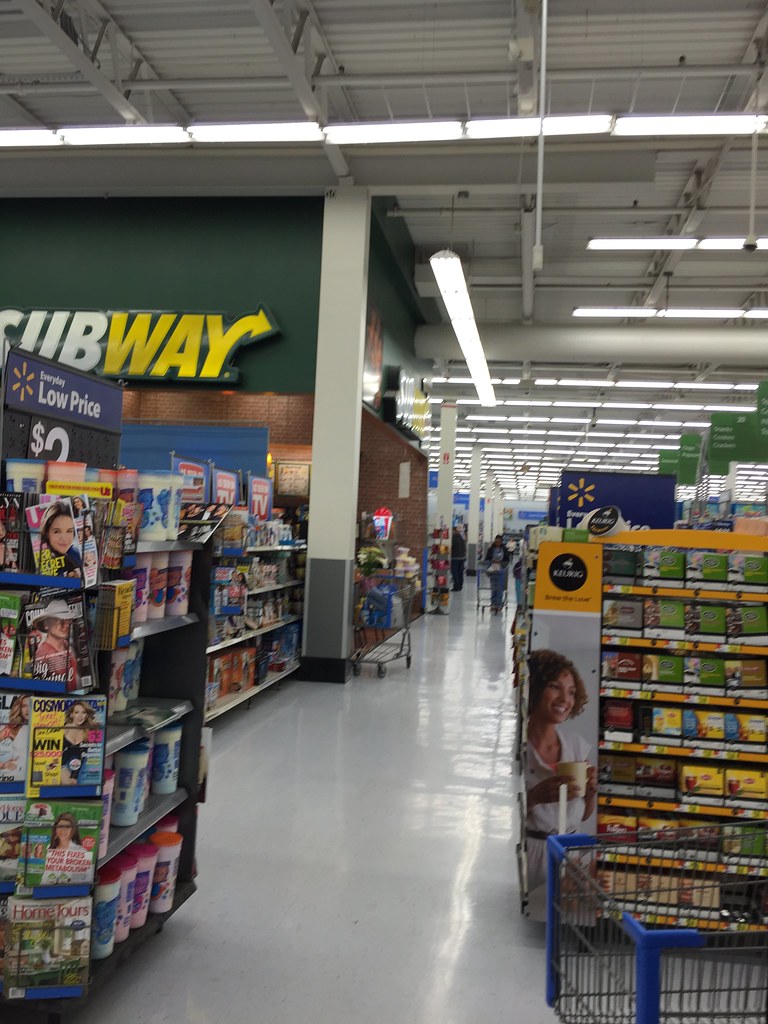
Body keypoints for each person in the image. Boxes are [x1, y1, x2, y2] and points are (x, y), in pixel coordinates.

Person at [525, 649, 596, 912]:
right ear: (534, 689)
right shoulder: (517, 748)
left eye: (572, 692)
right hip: (532, 853)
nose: (565, 699)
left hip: (571, 853)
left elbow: (583, 814)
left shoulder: (577, 746)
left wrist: (591, 792)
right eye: (555, 687)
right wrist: (535, 797)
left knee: (566, 921)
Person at [29, 600, 79, 687]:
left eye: (67, 620)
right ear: (46, 625)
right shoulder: (42, 654)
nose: (65, 625)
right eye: (58, 621)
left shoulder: (67, 646)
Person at [39, 500, 81, 577]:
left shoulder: (77, 555)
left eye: (69, 531)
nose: (64, 538)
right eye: (57, 531)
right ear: (47, 533)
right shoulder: (43, 560)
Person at [62, 700, 97, 783]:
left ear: (87, 715)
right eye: (77, 712)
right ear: (71, 715)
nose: (80, 716)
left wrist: (74, 776)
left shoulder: (87, 734)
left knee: (72, 784)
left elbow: (81, 757)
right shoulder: (66, 728)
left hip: (64, 768)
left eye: (83, 712)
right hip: (53, 766)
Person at [0, 694, 29, 778]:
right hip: (17, 774)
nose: (27, 709)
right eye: (24, 706)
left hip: (37, 774)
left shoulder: (44, 727)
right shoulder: (13, 729)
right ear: (19, 708)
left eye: (31, 705)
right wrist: (3, 765)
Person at [484, 535, 510, 612]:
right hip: (492, 570)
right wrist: (490, 563)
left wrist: (500, 562)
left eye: (499, 542)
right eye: (496, 542)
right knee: (493, 588)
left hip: (501, 570)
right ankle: (493, 603)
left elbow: (507, 560)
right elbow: (487, 559)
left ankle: (499, 604)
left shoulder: (504, 549)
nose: (498, 543)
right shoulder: (491, 549)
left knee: (500, 588)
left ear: (501, 542)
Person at [450, 527, 466, 592]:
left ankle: (456, 587)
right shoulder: (461, 538)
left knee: (455, 572)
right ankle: (460, 586)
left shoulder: (453, 538)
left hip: (455, 558)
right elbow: (464, 548)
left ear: (453, 531)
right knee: (460, 572)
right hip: (462, 558)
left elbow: (451, 548)